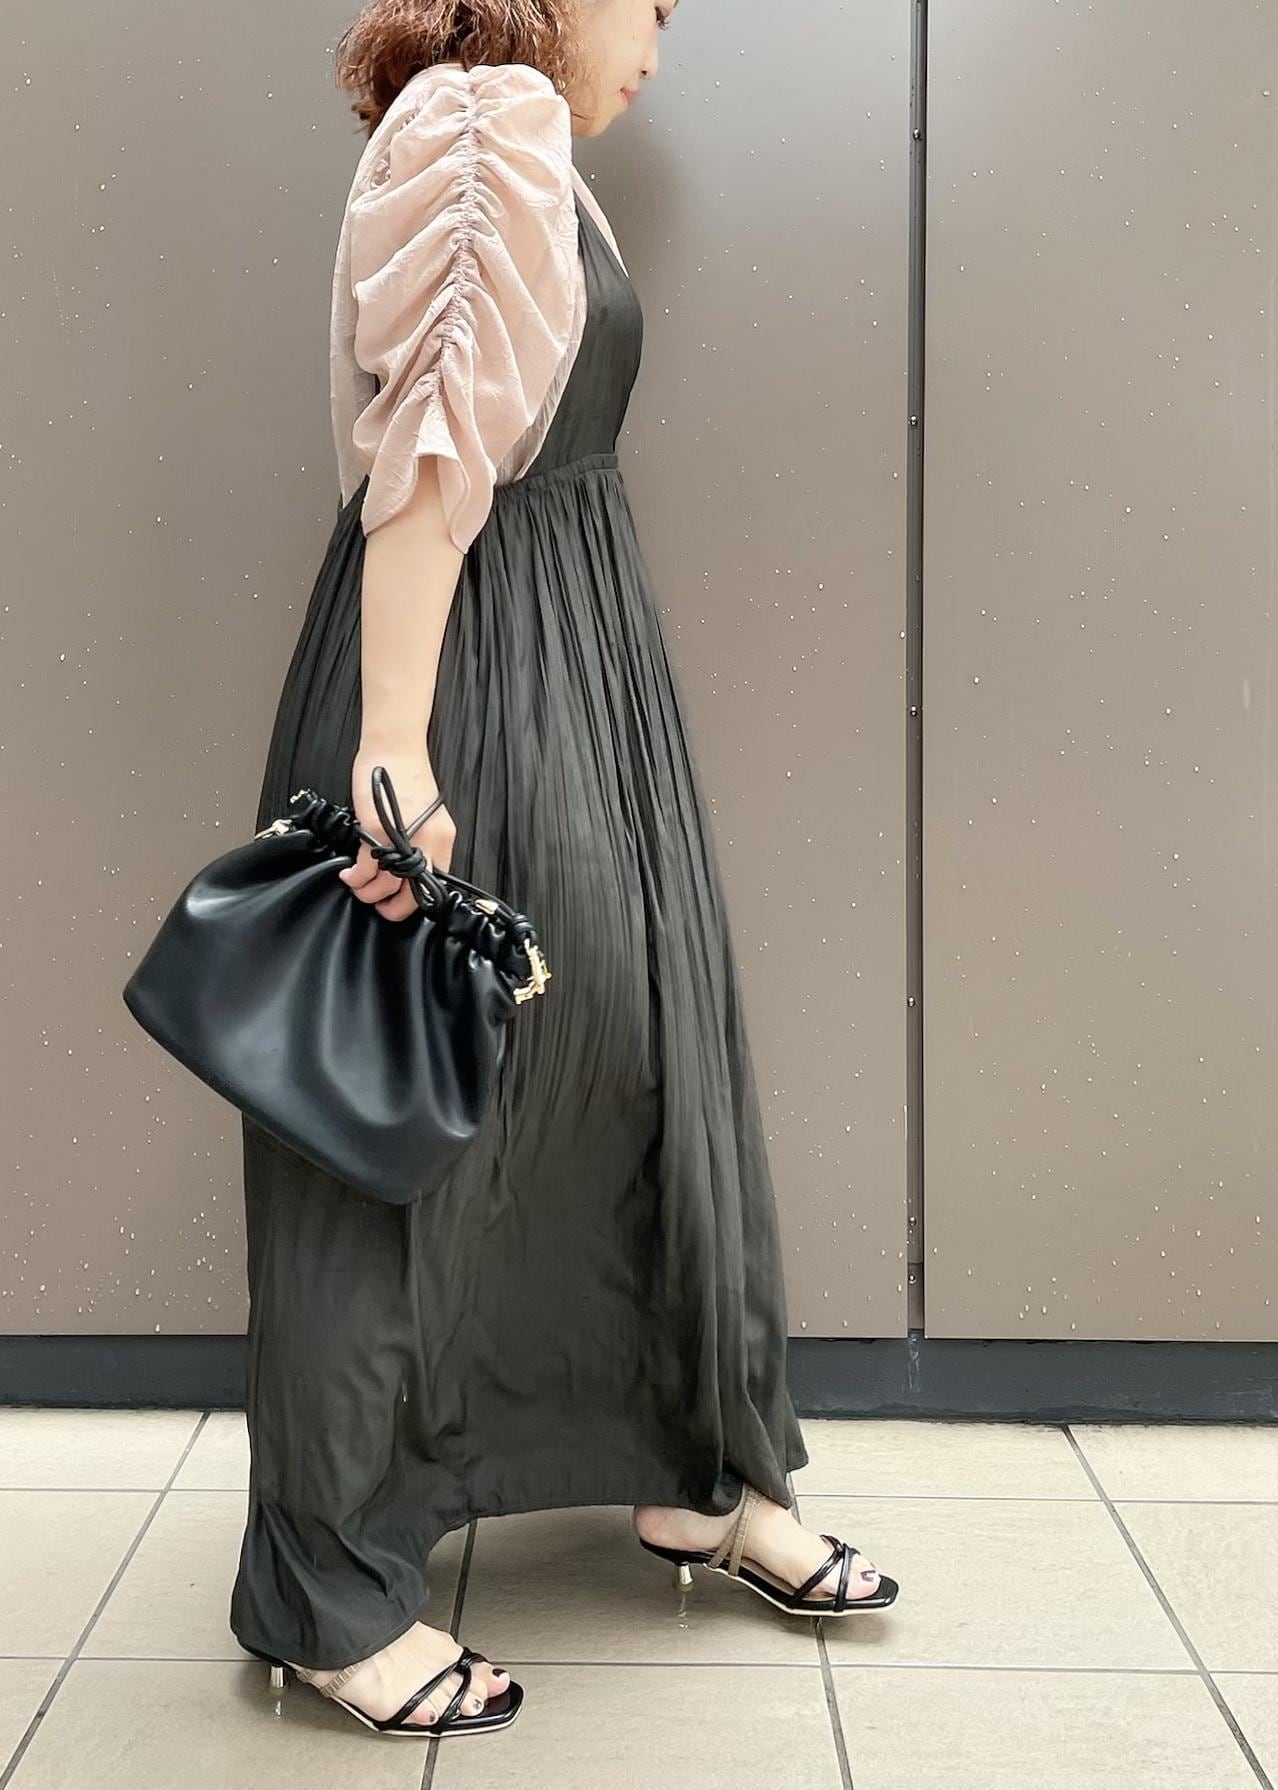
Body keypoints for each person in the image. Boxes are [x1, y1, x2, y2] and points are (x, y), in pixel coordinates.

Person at [228, 0, 899, 1740]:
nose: (660, 45)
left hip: (579, 653)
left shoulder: (524, 141)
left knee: (644, 1052)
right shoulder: (478, 128)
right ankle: (329, 1595)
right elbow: (425, 458)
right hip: (474, 664)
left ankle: (699, 1465)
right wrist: (395, 737)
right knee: (389, 1124)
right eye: (651, 5)